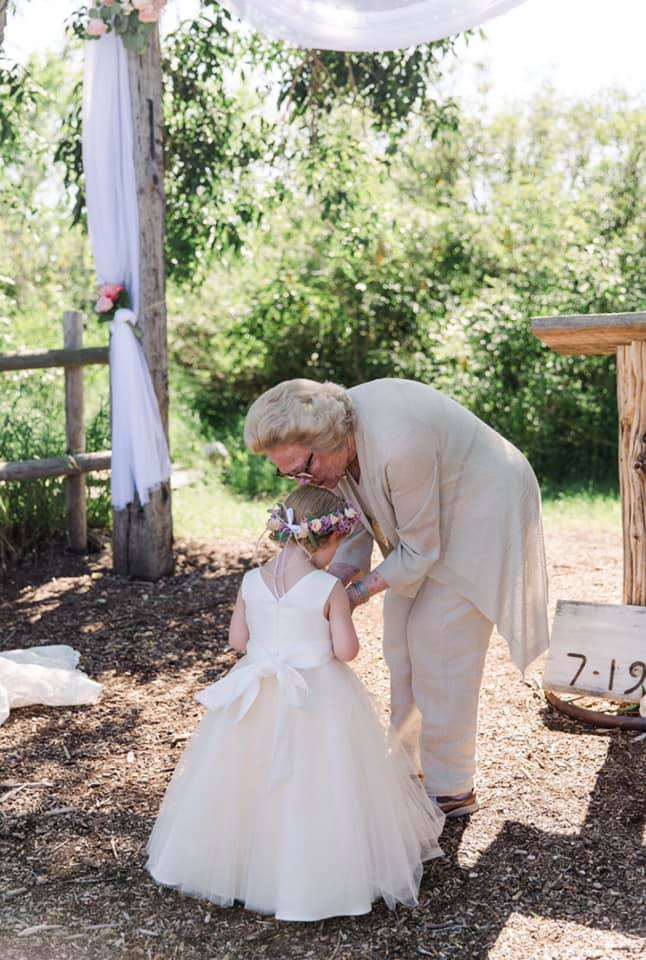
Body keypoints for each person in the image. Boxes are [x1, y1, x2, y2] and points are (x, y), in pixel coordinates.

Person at [244, 378, 550, 818]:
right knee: (398, 641)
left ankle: (451, 787)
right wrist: (334, 579)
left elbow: (420, 550)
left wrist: (349, 597)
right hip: (425, 521)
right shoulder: (331, 449)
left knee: (437, 642)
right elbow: (355, 513)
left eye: (304, 468)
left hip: (481, 507)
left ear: (328, 440)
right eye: (288, 473)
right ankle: (411, 768)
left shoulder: (399, 443)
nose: (301, 480)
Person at [146, 486, 444, 922]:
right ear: (324, 540)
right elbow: (346, 651)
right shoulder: (327, 588)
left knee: (246, 780)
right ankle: (309, 875)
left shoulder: (250, 581)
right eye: (337, 546)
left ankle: (243, 869)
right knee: (321, 781)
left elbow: (237, 641)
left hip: (257, 690)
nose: (335, 557)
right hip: (317, 696)